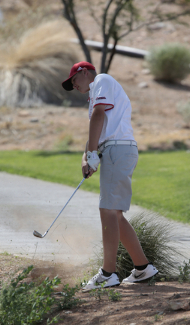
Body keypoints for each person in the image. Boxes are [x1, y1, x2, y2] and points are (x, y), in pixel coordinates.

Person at [62, 61, 158, 290]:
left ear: (85, 73)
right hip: (116, 150)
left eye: (74, 80)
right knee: (114, 214)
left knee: (107, 210)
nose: (74, 85)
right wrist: (87, 158)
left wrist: (94, 153)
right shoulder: (96, 92)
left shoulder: (102, 80)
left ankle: (108, 274)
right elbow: (98, 127)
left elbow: (98, 116)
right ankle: (143, 268)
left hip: (117, 150)